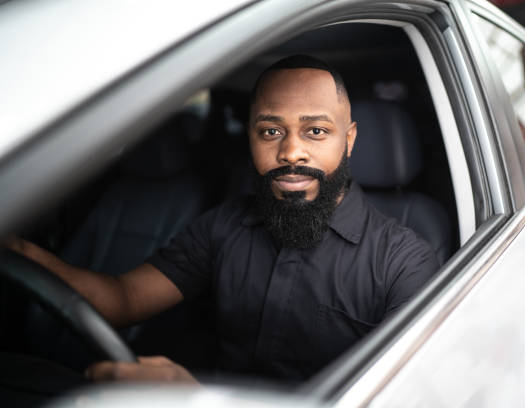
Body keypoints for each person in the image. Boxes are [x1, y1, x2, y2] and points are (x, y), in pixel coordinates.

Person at [5, 55, 438, 383]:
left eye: (315, 131)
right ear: (248, 137)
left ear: (349, 140)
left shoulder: (403, 263)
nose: (290, 152)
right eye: (270, 131)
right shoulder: (224, 225)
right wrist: (17, 250)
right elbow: (122, 298)